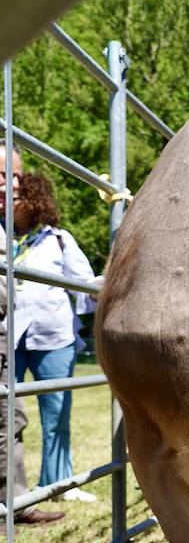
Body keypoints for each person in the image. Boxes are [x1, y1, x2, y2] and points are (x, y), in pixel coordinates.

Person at [6, 172, 101, 498]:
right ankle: (10, 489)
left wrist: (106, 289)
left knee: (56, 413)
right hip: (11, 338)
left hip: (54, 337)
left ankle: (58, 483)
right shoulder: (4, 235)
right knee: (5, 414)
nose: (10, 199)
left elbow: (85, 284)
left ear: (35, 200)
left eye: (18, 196)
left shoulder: (58, 239)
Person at [0, 149, 64, 524]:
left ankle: (16, 502)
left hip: (8, 336)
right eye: (2, 173)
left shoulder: (13, 229)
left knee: (12, 415)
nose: (9, 184)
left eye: (15, 176)